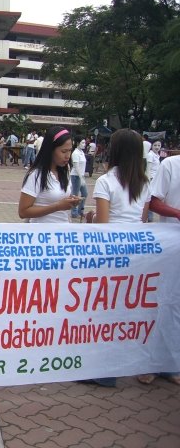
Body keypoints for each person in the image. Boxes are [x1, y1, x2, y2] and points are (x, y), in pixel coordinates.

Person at [84, 129, 151, 388]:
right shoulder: (144, 182)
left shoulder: (106, 181)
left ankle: (104, 371)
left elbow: (103, 224)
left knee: (106, 311)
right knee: (128, 311)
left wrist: (89, 219)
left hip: (111, 253)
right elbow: (142, 219)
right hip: (138, 251)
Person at [137, 148, 180, 386]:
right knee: (163, 304)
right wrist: (177, 213)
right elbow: (153, 202)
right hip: (173, 243)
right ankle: (152, 364)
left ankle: (173, 365)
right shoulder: (171, 165)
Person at [19, 126, 79, 223]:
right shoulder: (35, 174)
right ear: (51, 149)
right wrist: (57, 206)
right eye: (63, 151)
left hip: (63, 232)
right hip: (41, 234)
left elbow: (60, 197)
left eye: (70, 150)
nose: (68, 156)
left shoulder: (66, 170)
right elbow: (23, 212)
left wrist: (71, 201)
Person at [69, 136, 88, 221]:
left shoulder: (82, 152)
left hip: (81, 176)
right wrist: (81, 177)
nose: (84, 144)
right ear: (77, 143)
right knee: (75, 195)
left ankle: (80, 211)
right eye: (82, 143)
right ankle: (74, 212)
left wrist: (83, 177)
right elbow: (76, 167)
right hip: (76, 176)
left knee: (85, 193)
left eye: (85, 143)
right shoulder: (75, 153)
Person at [146, 140, 162, 222]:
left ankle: (150, 218)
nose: (157, 147)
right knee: (149, 198)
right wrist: (148, 181)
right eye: (155, 145)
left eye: (159, 145)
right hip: (151, 179)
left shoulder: (157, 155)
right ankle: (149, 218)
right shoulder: (150, 155)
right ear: (151, 146)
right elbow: (148, 169)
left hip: (155, 179)